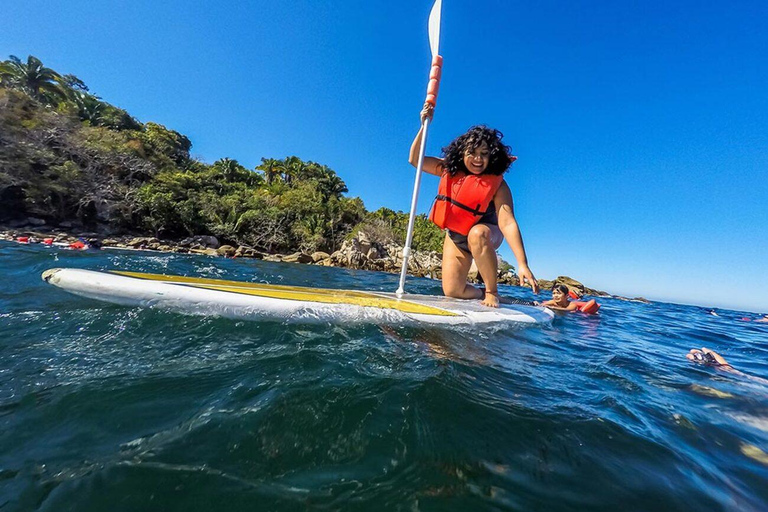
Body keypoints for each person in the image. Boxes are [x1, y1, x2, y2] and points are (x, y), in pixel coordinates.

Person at [409, 104, 539, 308]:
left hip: (487, 233)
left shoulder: (498, 185)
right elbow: (415, 160)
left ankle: (492, 292)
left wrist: (522, 263)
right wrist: (424, 127)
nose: (478, 159)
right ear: (462, 153)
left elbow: (508, 223)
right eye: (472, 152)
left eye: (484, 153)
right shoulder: (449, 169)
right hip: (456, 236)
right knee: (453, 291)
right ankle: (497, 297)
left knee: (477, 233)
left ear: (492, 156)